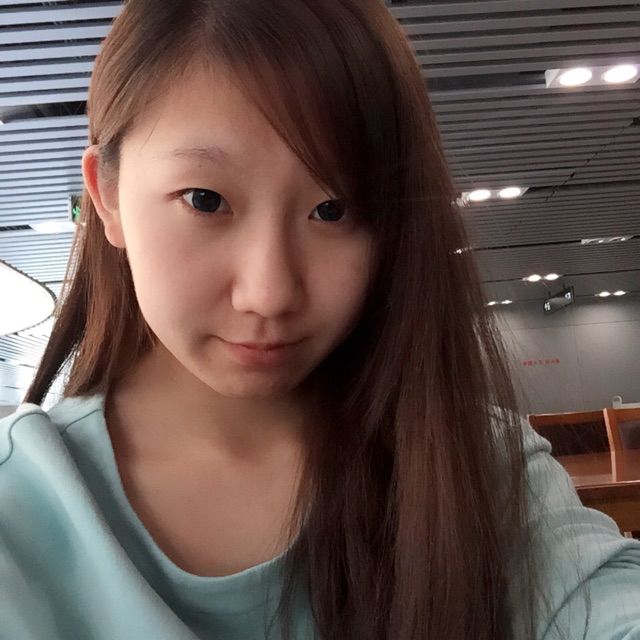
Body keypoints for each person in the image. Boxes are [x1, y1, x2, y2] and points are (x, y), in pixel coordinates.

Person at [1, 1, 639, 638]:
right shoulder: (17, 506)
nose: (270, 293)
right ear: (107, 197)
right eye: (206, 199)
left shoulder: (472, 463)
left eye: (333, 210)